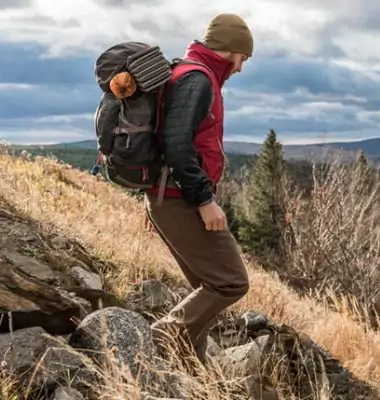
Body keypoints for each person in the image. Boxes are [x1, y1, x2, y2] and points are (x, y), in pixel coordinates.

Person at [143, 13, 253, 364]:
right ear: (231, 49)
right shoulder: (197, 80)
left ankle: (191, 367)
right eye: (243, 58)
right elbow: (175, 144)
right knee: (230, 282)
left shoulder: (189, 74)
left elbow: (161, 140)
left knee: (206, 286)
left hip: (168, 197)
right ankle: (168, 331)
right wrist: (205, 200)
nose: (241, 68)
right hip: (180, 199)